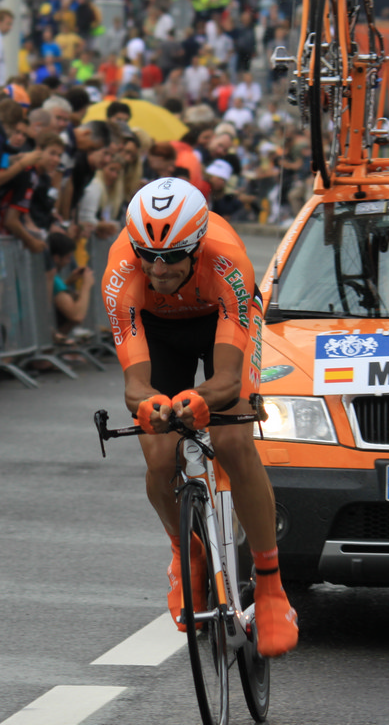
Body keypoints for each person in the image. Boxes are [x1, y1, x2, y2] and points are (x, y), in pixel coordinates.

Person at [101, 178, 298, 658]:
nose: (158, 268)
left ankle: (271, 585)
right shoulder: (122, 272)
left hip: (219, 320)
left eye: (172, 257)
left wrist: (200, 399)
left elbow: (227, 379)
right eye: (148, 255)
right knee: (159, 456)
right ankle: (185, 551)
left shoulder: (227, 262)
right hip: (157, 329)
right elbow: (135, 386)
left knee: (232, 443)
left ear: (196, 246)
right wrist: (150, 406)